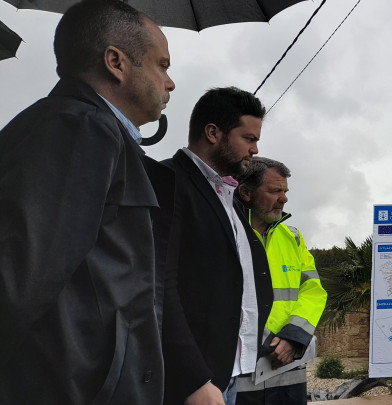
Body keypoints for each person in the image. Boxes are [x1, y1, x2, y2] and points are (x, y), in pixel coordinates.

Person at [0, 1, 174, 403]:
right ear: (116, 62)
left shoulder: (93, 130)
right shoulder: (79, 129)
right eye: (161, 65)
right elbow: (18, 281)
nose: (170, 82)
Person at [160, 87, 273, 405]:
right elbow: (159, 289)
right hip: (190, 385)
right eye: (249, 139)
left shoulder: (227, 195)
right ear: (213, 132)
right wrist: (193, 378)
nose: (255, 149)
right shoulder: (168, 181)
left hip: (227, 374)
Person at [233, 157, 328, 405]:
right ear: (246, 193)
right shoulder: (225, 232)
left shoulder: (293, 237)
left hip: (287, 372)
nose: (284, 199)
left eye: (285, 191)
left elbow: (313, 292)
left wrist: (292, 338)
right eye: (275, 191)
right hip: (239, 375)